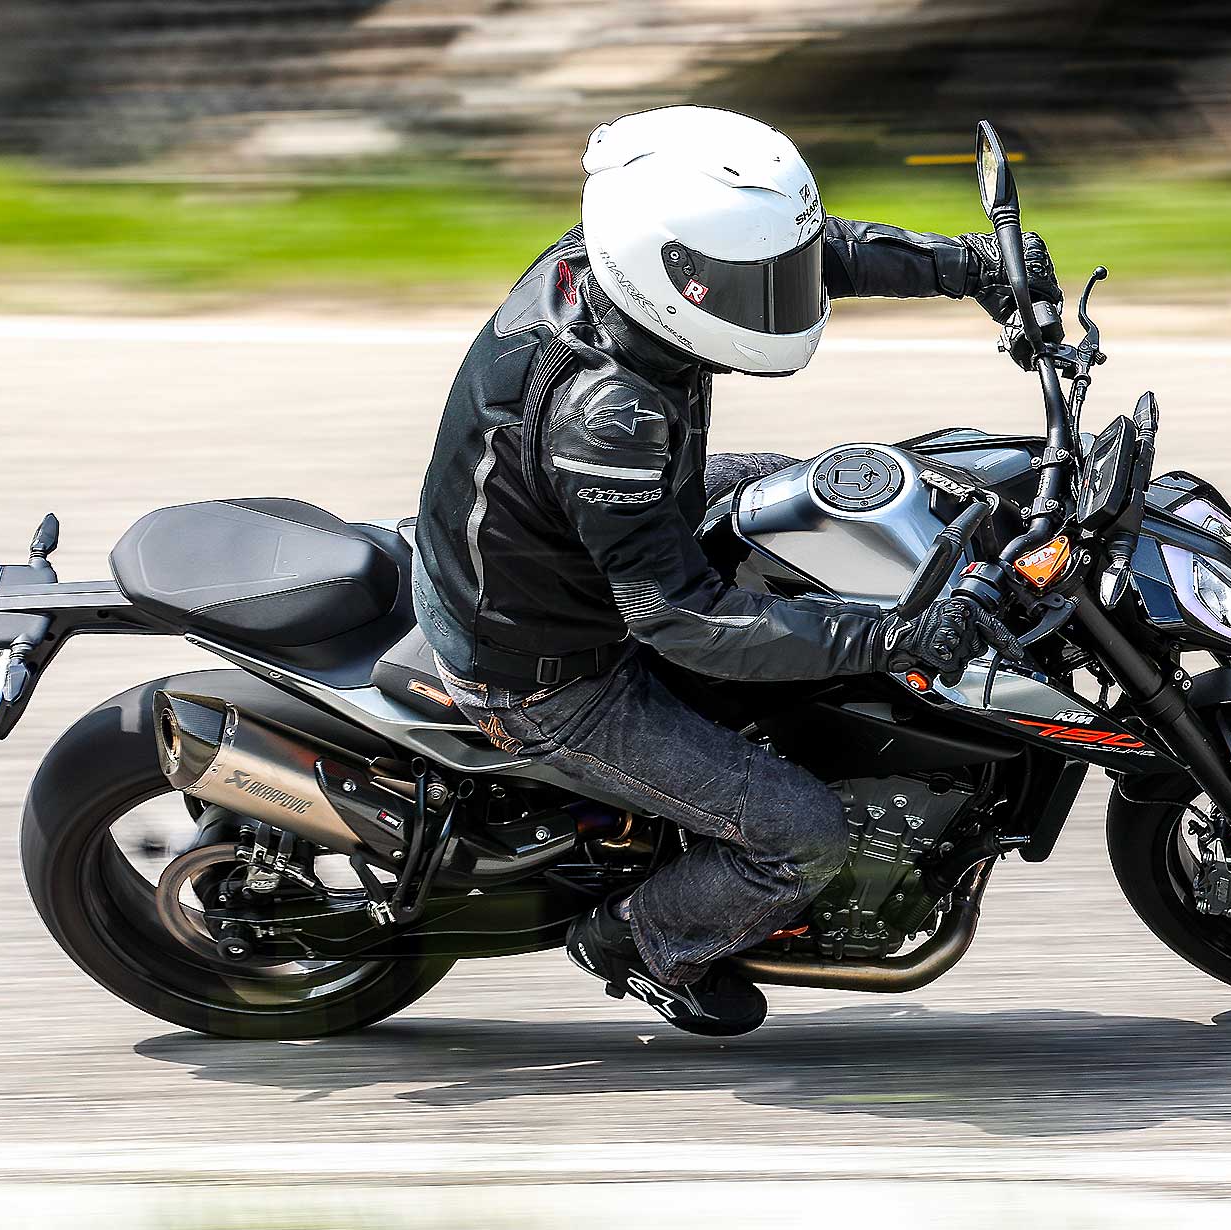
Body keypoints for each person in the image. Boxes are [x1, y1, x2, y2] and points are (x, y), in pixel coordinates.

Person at [413, 106, 1060, 1035]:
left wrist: (968, 265)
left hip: (576, 541)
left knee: (827, 494)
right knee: (802, 835)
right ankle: (641, 940)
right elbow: (682, 620)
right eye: (753, 283)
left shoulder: (618, 264)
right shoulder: (608, 417)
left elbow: (812, 256)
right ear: (671, 276)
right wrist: (896, 637)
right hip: (544, 674)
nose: (781, 296)